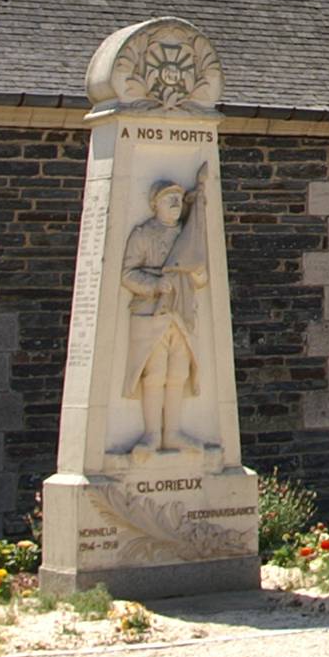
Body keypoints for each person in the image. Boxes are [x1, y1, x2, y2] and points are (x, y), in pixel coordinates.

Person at [120, 178, 207, 457]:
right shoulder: (143, 234)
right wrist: (155, 285)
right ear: (154, 204)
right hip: (151, 312)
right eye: (169, 198)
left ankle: (173, 432)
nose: (175, 203)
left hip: (181, 312)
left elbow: (201, 277)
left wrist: (197, 274)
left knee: (179, 373)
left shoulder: (187, 235)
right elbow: (128, 274)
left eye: (178, 199)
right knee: (154, 373)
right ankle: (151, 434)